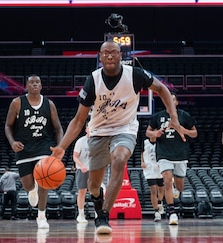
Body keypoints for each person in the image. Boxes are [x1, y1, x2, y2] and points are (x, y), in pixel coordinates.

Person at [50, 40, 183, 235]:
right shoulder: (93, 80)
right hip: (98, 132)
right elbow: (79, 120)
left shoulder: (135, 75)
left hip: (125, 129)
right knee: (93, 186)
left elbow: (162, 89)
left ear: (121, 55)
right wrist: (62, 147)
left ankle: (103, 216)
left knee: (119, 159)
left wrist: (174, 117)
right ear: (100, 57)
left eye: (114, 52)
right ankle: (98, 199)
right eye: (106, 53)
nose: (110, 55)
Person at [4, 74, 64, 229]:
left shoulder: (49, 104)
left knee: (44, 178)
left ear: (41, 86)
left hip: (44, 146)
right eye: (31, 82)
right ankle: (32, 190)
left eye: (38, 82)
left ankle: (42, 216)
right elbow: (8, 126)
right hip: (24, 149)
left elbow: (58, 128)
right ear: (26, 86)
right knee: (28, 185)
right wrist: (12, 142)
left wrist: (60, 146)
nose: (35, 84)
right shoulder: (17, 103)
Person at [146, 92, 197, 225]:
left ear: (176, 102)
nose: (170, 101)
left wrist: (183, 130)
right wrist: (155, 133)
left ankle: (176, 190)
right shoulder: (158, 116)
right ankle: (172, 212)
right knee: (167, 180)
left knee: (179, 187)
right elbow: (147, 132)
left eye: (173, 99)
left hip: (180, 154)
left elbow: (195, 133)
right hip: (164, 153)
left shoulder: (183, 115)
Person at [141, 137, 165, 222]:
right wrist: (142, 162)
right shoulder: (145, 142)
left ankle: (159, 202)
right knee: (153, 191)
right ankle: (156, 212)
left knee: (161, 190)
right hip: (149, 169)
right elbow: (142, 152)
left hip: (159, 168)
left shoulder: (161, 142)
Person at [73, 124, 90, 224]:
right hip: (82, 169)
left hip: (93, 169)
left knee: (96, 192)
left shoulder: (98, 141)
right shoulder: (80, 141)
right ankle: (81, 214)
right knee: (82, 192)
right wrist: (82, 165)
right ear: (86, 129)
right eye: (90, 128)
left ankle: (98, 213)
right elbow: (75, 157)